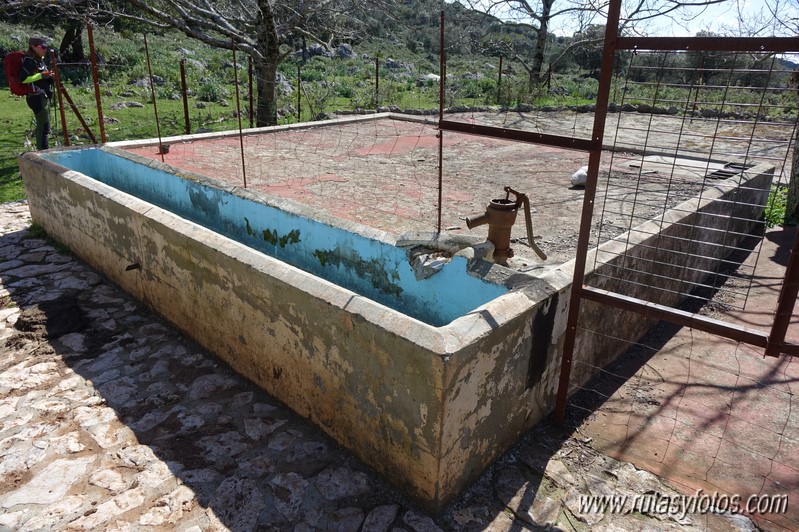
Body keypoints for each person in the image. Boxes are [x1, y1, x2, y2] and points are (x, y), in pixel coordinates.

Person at [19, 36, 53, 150]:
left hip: (42, 96)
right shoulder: (29, 61)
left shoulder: (39, 60)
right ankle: (43, 153)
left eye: (46, 47)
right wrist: (42, 75)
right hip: (36, 97)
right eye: (42, 47)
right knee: (44, 127)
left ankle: (43, 151)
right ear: (33, 47)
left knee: (44, 126)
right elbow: (24, 79)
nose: (45, 49)